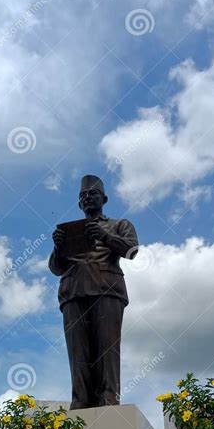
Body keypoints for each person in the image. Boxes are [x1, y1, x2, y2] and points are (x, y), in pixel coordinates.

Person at [49, 174, 138, 409]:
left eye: (92, 194)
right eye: (83, 196)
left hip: (106, 289)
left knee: (107, 348)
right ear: (79, 203)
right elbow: (56, 268)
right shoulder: (69, 231)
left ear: (104, 198)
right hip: (73, 292)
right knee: (77, 351)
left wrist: (105, 236)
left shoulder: (119, 224)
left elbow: (131, 250)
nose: (87, 198)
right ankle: (81, 400)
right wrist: (58, 248)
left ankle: (108, 399)